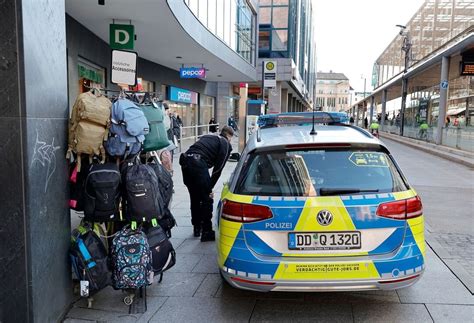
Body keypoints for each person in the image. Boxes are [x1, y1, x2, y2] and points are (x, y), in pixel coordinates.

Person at [179, 126, 234, 242]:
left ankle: (197, 227)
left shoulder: (209, 137)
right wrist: (209, 188)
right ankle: (207, 231)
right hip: (198, 163)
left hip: (185, 162)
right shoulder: (225, 143)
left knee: (194, 197)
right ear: (229, 137)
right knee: (206, 199)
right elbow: (218, 170)